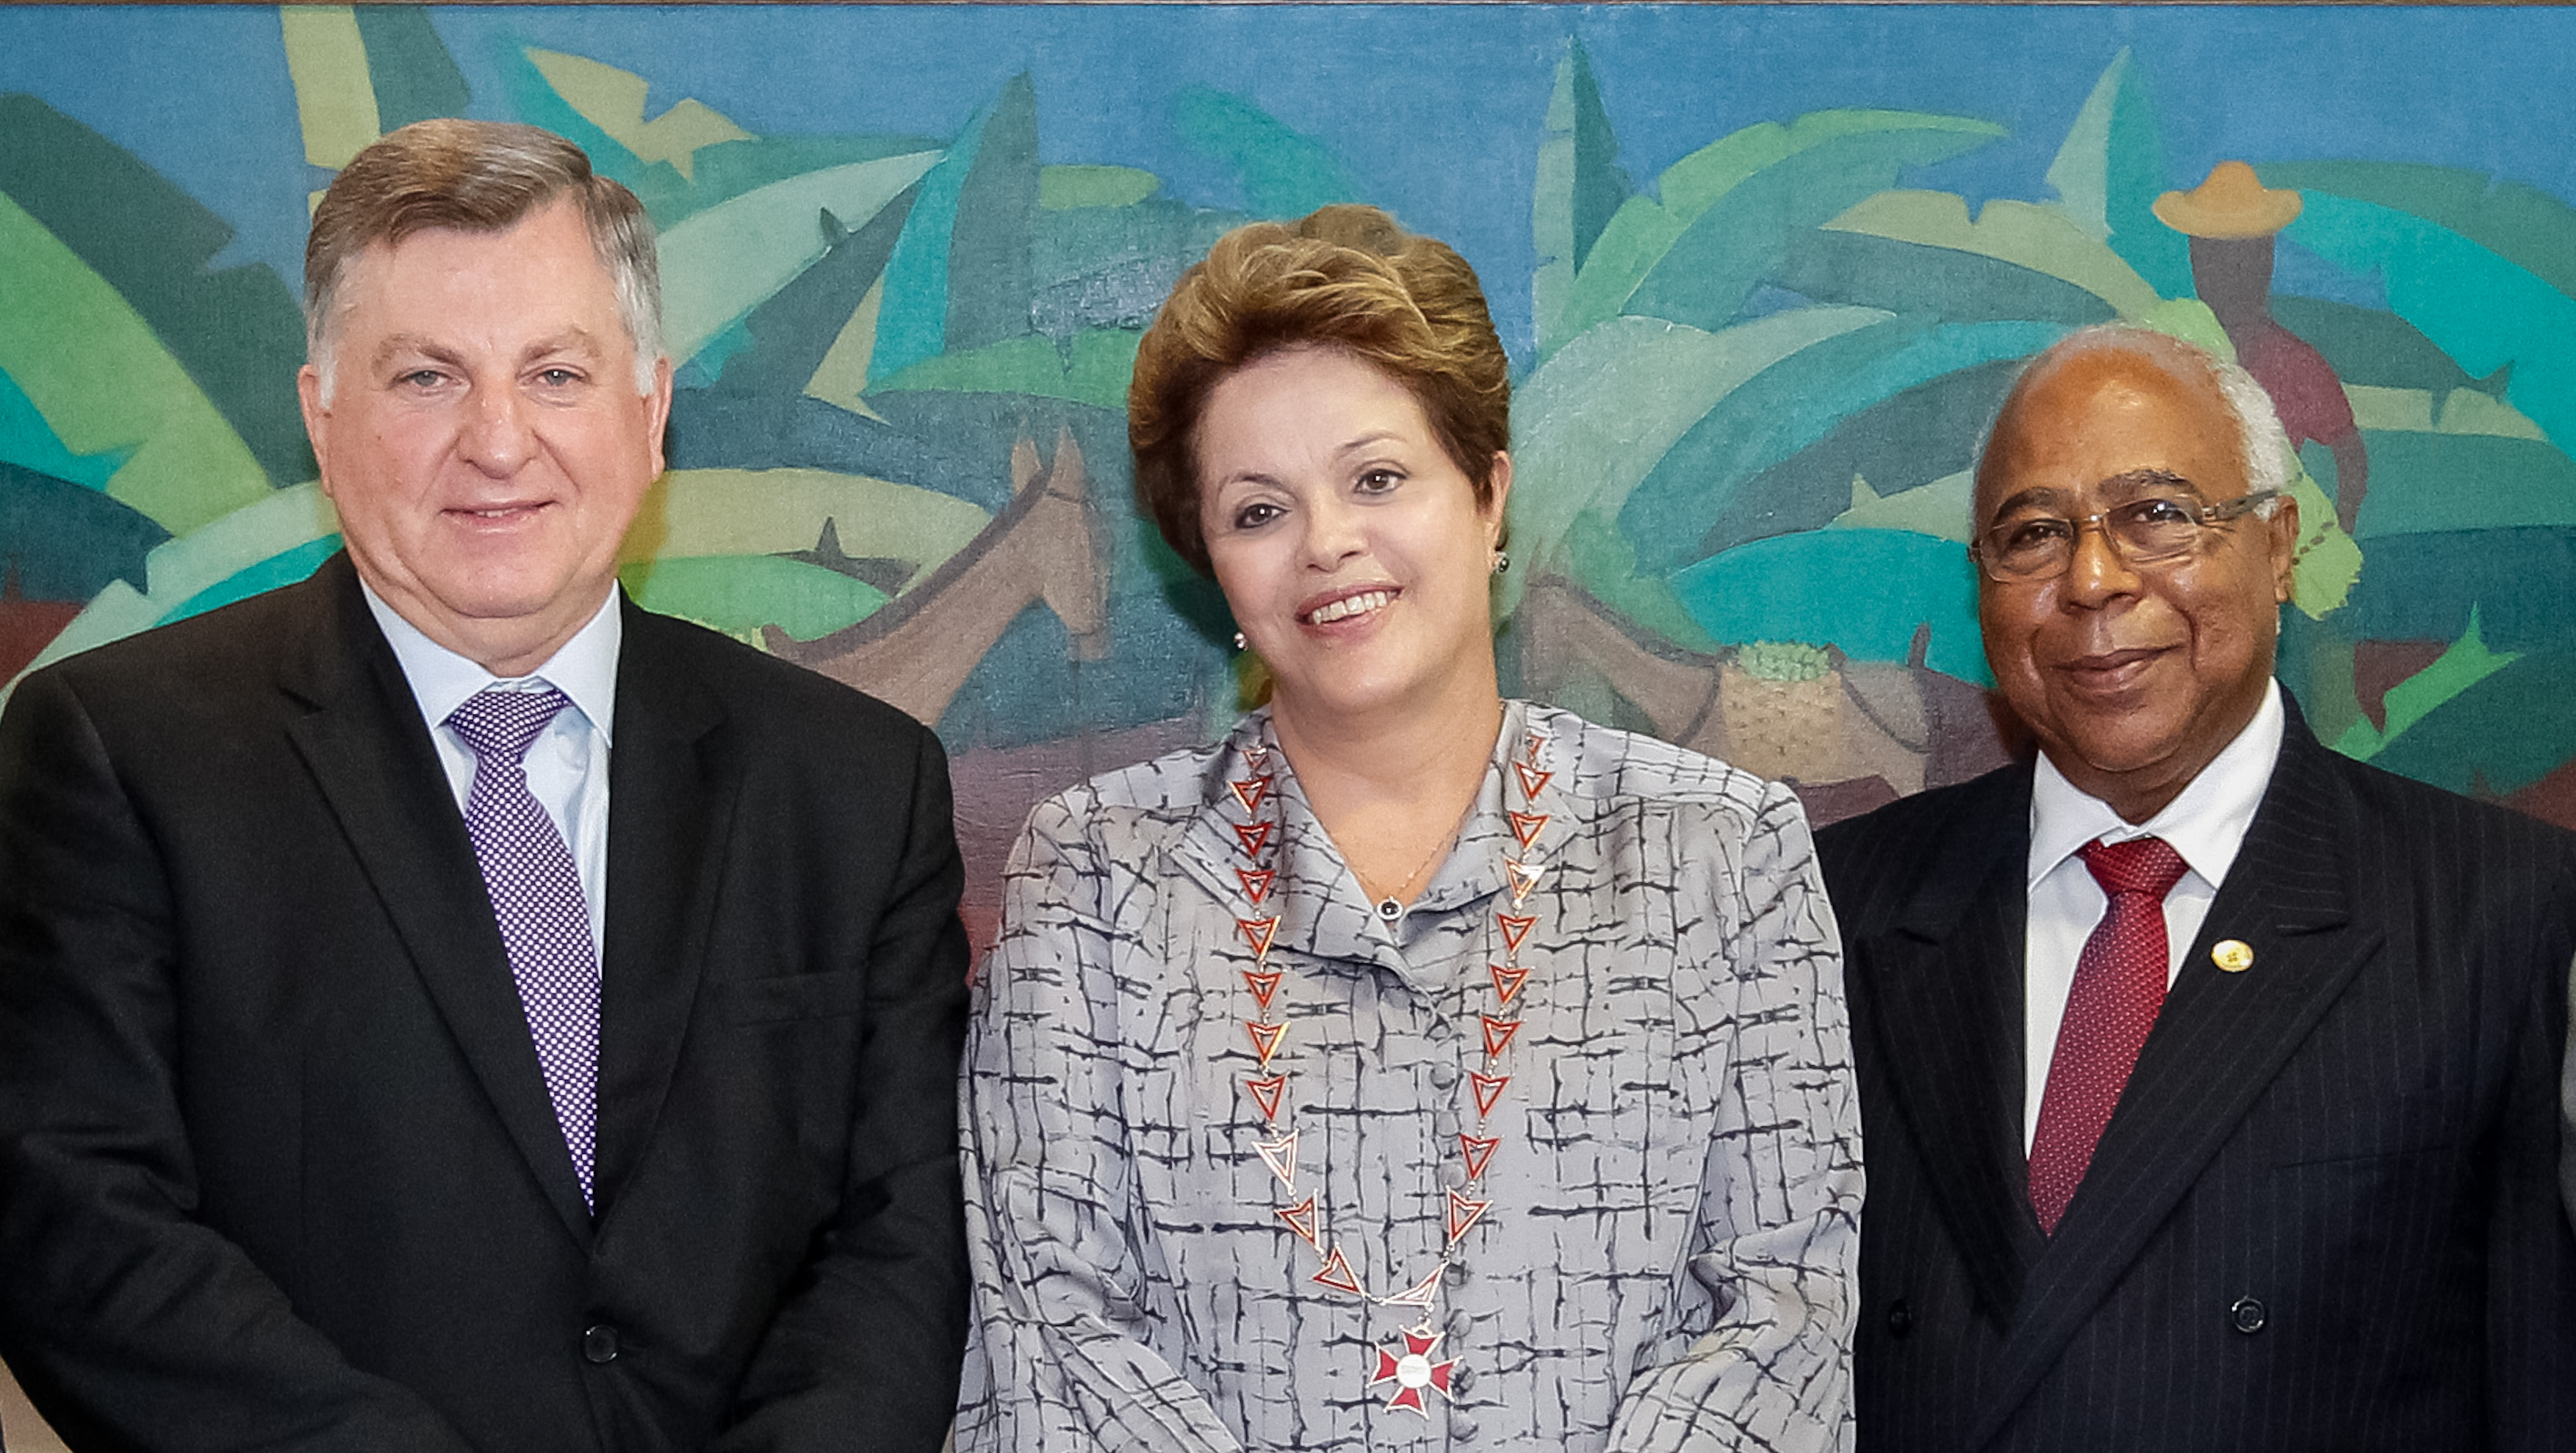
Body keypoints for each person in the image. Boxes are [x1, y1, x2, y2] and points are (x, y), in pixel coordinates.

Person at [0, 119, 969, 1450]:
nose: (499, 441)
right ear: (320, 413)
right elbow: (79, 1225)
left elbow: (898, 1240)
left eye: (556, 372)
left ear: (649, 408)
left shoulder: (858, 786)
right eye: (426, 378)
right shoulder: (116, 752)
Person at [956, 204, 1860, 1452]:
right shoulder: (1095, 876)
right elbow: (1052, 1330)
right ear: (1206, 560)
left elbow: (1782, 1311)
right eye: (1256, 511)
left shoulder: (1720, 851)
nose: (1327, 544)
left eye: (1377, 478)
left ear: (1488, 497)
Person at [1817, 326, 2576, 1451]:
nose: (2090, 578)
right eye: (2033, 533)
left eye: (2156, 515)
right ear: (1979, 587)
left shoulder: (2499, 913)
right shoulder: (1835, 905)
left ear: (2277, 544)